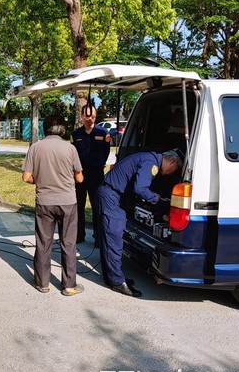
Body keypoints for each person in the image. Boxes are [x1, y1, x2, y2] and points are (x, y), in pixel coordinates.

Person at [95, 149, 183, 297]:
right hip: (111, 196)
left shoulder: (149, 157)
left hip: (110, 194)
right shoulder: (151, 162)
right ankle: (117, 281)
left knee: (110, 239)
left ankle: (112, 277)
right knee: (113, 240)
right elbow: (140, 189)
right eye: (175, 170)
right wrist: (158, 199)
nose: (171, 173)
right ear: (173, 161)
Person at [22, 116, 84, 296]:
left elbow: (26, 177)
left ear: (45, 130)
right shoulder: (70, 148)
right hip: (68, 202)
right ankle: (69, 286)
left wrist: (41, 180)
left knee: (43, 243)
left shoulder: (35, 148)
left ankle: (43, 283)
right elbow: (79, 178)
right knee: (69, 244)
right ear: (62, 130)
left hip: (44, 202)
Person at [71, 105, 111, 243]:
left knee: (97, 206)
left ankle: (98, 237)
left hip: (96, 174)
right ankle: (78, 235)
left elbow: (106, 152)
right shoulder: (76, 134)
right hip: (80, 175)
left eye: (93, 116)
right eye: (87, 116)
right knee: (78, 206)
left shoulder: (103, 132)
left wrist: (98, 164)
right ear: (82, 116)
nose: (90, 119)